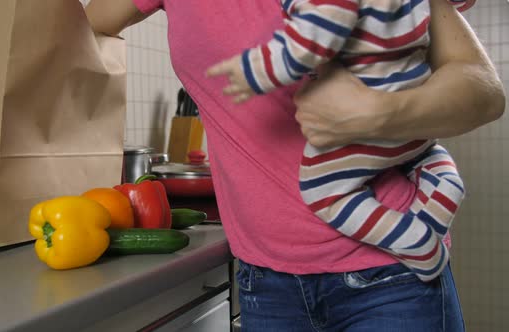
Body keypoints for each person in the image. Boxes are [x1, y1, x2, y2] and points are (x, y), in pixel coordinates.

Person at [86, 0, 504, 330]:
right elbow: (83, 28)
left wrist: (380, 112)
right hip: (264, 281)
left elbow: (483, 88)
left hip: (389, 277)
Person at [205, 0, 467, 282]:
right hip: (413, 105)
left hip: (367, 122)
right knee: (425, 153)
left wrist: (259, 71)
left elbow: (317, 35)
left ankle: (417, 244)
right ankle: (447, 184)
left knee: (322, 190)